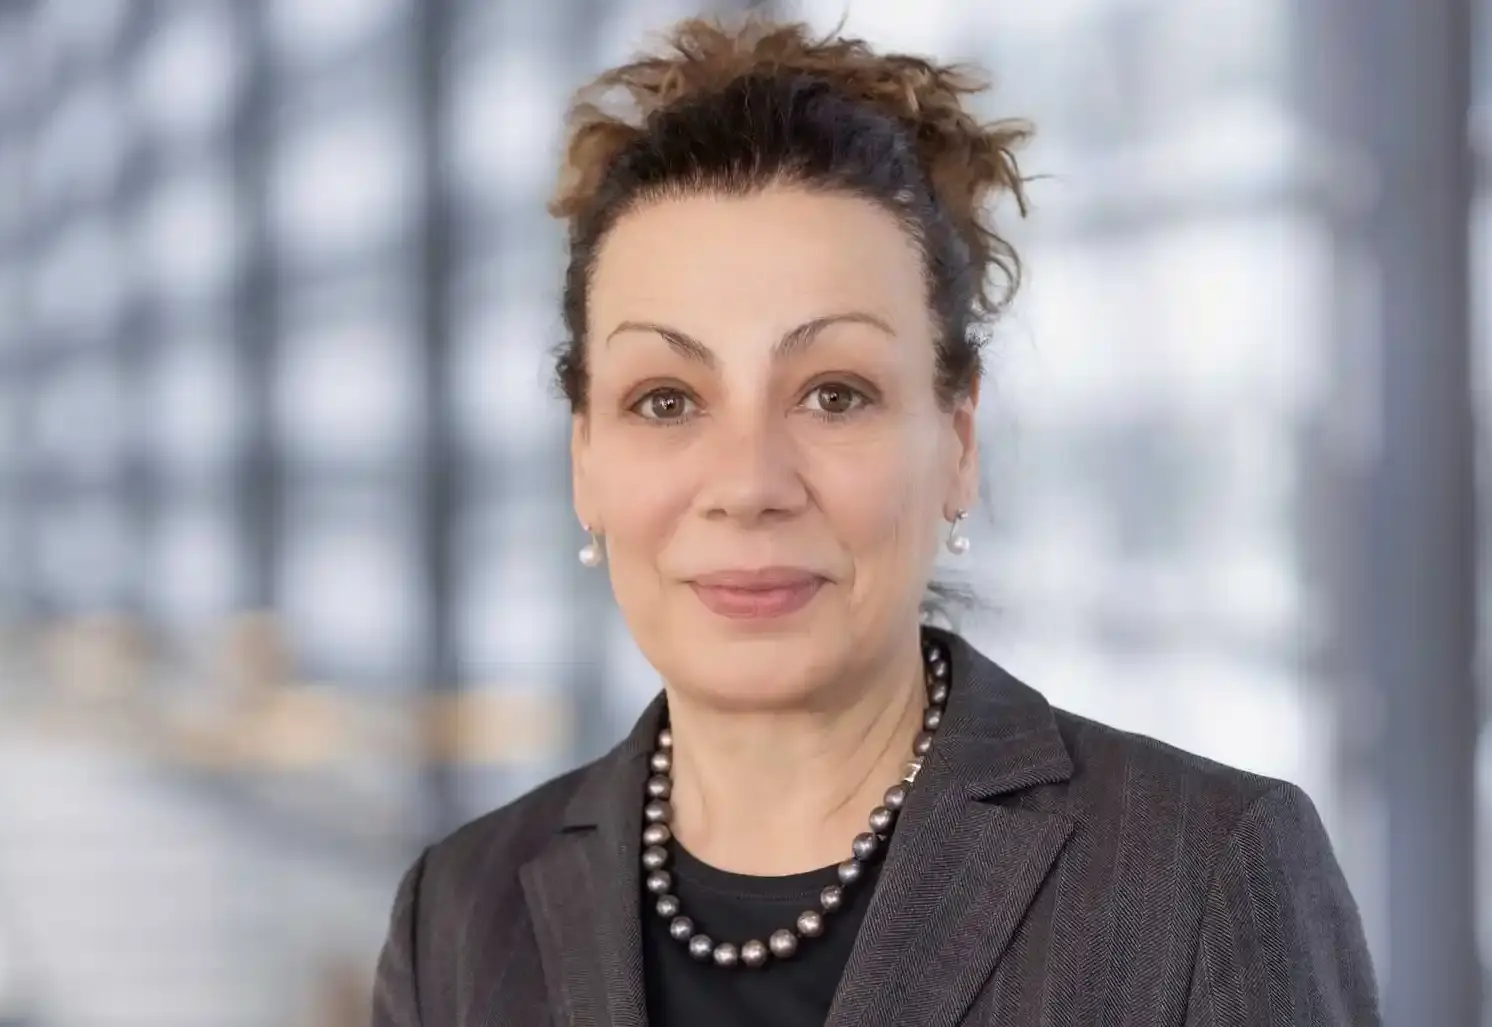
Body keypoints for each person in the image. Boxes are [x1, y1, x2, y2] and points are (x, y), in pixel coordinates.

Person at [371, 16, 1380, 1027]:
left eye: (833, 393)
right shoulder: (459, 913)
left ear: (956, 437)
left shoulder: (1198, 877)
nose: (748, 483)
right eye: (666, 399)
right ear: (583, 455)